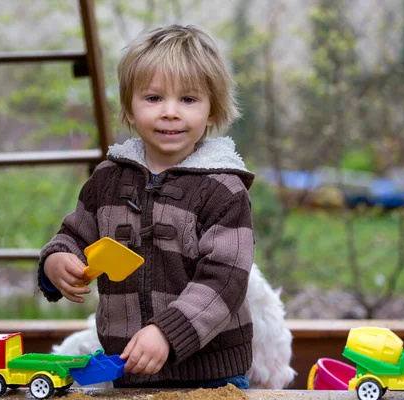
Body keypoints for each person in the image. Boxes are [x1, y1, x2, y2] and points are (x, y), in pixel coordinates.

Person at [38, 24, 255, 389]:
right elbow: (74, 234)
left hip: (211, 376)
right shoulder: (108, 180)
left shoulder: (223, 189)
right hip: (130, 369)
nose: (170, 112)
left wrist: (168, 333)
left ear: (213, 110)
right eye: (153, 98)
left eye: (188, 100)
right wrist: (56, 261)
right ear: (129, 108)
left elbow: (224, 281)